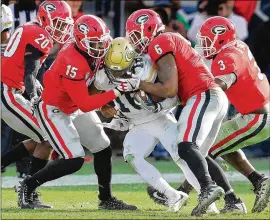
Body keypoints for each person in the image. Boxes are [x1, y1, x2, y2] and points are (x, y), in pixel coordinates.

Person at [147, 16, 270, 214]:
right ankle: (256, 182)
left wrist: (209, 87)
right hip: (256, 112)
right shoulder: (237, 45)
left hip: (256, 118)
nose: (203, 44)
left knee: (205, 150)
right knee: (210, 147)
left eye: (206, 40)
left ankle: (228, 196)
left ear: (220, 38)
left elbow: (227, 77)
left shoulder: (226, 57)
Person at [16, 14, 139, 210]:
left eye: (102, 43)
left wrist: (105, 102)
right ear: (81, 41)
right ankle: (27, 186)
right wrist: (117, 90)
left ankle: (106, 199)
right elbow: (85, 103)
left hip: (73, 104)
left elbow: (87, 91)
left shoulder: (90, 49)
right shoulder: (72, 59)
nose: (100, 48)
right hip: (54, 109)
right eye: (94, 44)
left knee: (102, 146)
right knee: (74, 159)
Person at [126, 9, 230, 216]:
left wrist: (138, 83)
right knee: (198, 156)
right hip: (210, 97)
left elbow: (169, 89)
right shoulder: (169, 38)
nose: (136, 41)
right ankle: (233, 199)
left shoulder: (160, 42)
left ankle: (208, 189)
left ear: (149, 29)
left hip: (202, 96)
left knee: (185, 147)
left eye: (137, 34)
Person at [94, 37, 189, 212]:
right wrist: (113, 113)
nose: (116, 75)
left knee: (182, 156)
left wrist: (156, 105)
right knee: (131, 154)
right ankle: (173, 195)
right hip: (138, 124)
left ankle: (209, 199)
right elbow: (123, 108)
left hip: (160, 118)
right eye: (113, 71)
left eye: (121, 70)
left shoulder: (145, 67)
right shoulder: (103, 75)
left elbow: (172, 96)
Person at [1, 0, 74, 208]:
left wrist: (36, 87)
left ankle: (20, 181)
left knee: (41, 136)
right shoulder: (40, 34)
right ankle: (27, 192)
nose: (61, 29)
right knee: (48, 136)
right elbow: (30, 71)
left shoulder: (30, 27)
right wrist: (34, 95)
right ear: (45, 18)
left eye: (63, 24)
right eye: (58, 23)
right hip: (8, 92)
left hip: (8, 89)